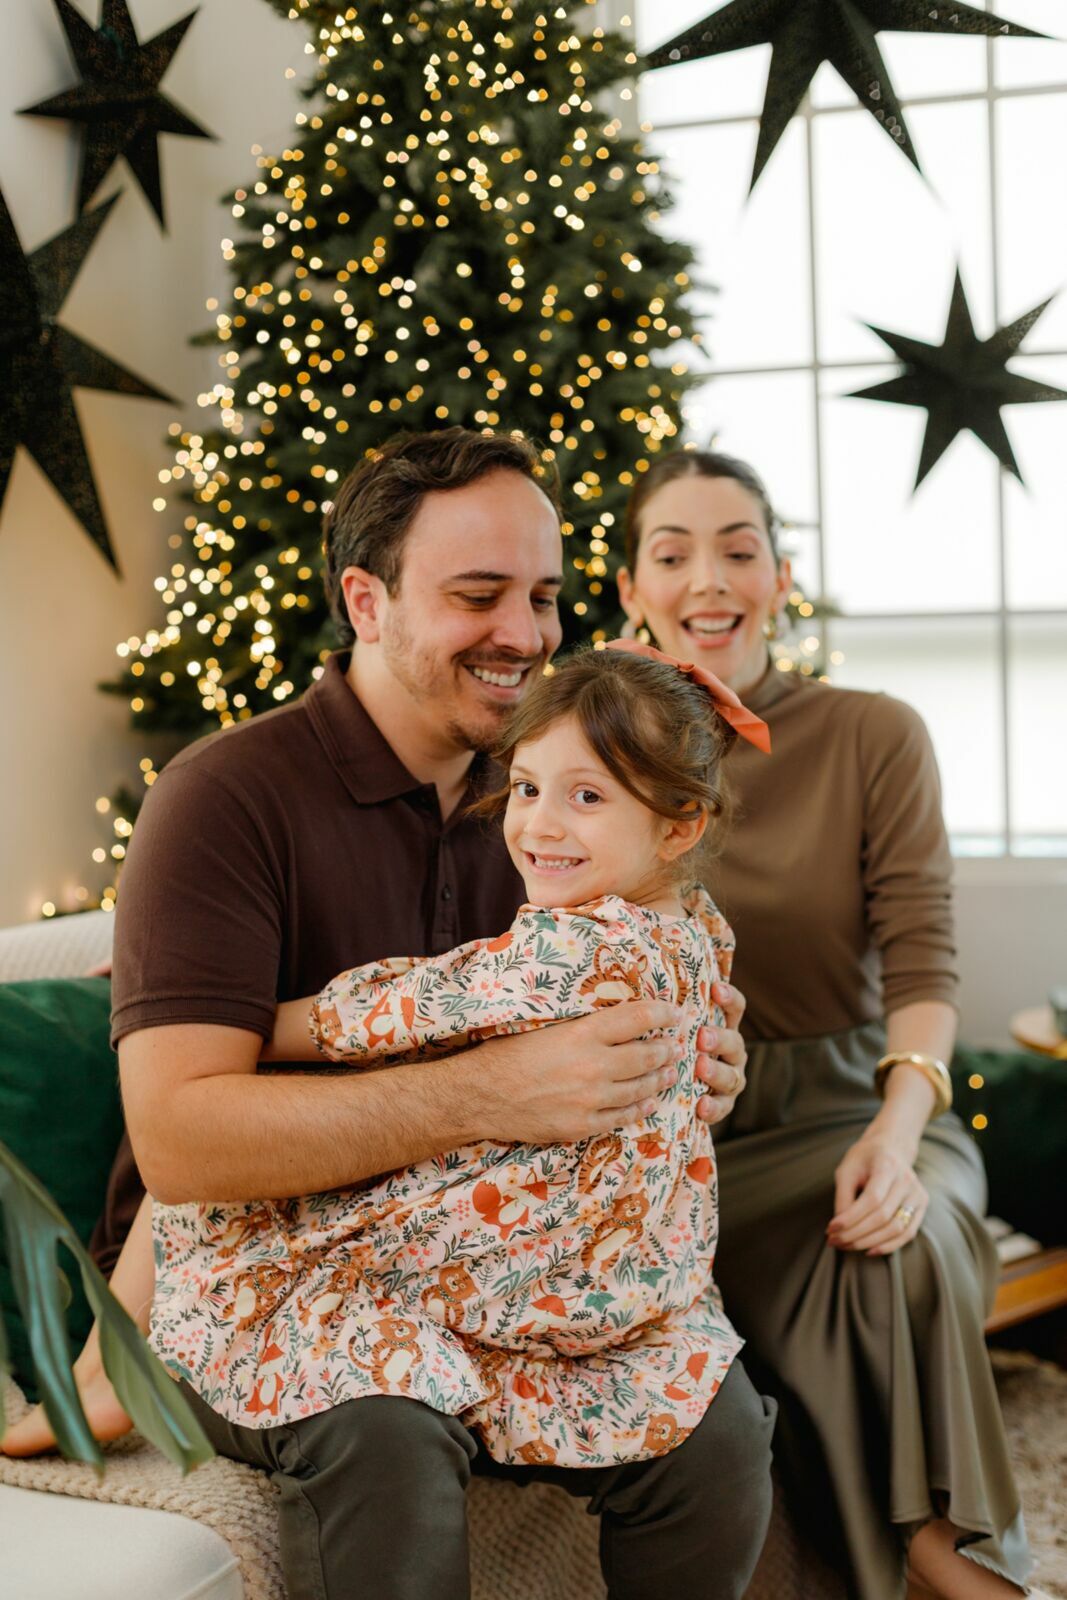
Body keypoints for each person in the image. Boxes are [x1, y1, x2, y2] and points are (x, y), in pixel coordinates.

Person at [2, 431, 756, 1600]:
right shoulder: (224, 800)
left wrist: (698, 1059)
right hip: (267, 1271)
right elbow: (183, 1142)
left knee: (713, 1430)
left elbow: (654, 973)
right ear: (365, 598)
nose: (524, 631)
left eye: (544, 596)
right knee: (389, 1432)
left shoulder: (551, 801)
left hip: (489, 1260)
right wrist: (495, 1091)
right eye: (476, 595)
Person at [158, 644, 776, 1599]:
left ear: (678, 823)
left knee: (713, 1424)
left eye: (585, 797)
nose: (535, 825)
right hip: (552, 1269)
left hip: (533, 1267)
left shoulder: (579, 946)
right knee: (381, 1406)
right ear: (365, 601)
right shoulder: (694, 924)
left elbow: (419, 1000)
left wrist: (263, 1026)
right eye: (527, 789)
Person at [616, 449, 1033, 1600]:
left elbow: (922, 958)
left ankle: (940, 1566)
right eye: (672, 551)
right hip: (690, 1144)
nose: (708, 577)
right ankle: (956, 1575)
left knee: (900, 1239)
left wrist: (898, 1135)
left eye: (738, 548)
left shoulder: (872, 732)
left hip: (867, 1098)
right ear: (627, 589)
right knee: (858, 1273)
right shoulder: (588, 758)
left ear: (780, 576)